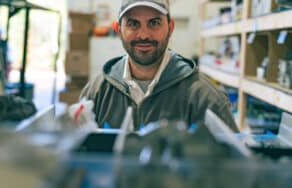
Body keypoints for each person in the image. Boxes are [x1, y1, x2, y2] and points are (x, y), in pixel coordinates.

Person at [79, 0, 238, 132]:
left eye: (154, 23)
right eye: (133, 23)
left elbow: (232, 164)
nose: (144, 35)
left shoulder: (205, 98)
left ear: (170, 28)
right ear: (118, 29)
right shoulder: (97, 92)